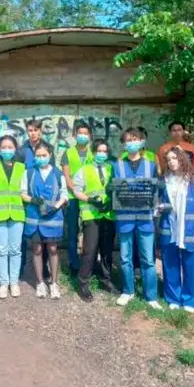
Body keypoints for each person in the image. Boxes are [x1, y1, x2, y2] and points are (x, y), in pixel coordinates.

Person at [112, 128, 160, 309]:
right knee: (125, 257)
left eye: (135, 139)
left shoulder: (151, 166)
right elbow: (115, 189)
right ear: (124, 144)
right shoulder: (116, 166)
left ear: (142, 141)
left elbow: (154, 190)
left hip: (145, 218)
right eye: (128, 140)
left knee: (148, 259)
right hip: (124, 217)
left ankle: (151, 296)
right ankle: (128, 291)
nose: (131, 143)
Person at [73, 139, 118, 301]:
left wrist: (111, 203)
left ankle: (106, 280)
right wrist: (90, 200)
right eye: (99, 151)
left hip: (108, 214)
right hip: (91, 215)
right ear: (93, 152)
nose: (102, 154)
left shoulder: (111, 168)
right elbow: (76, 190)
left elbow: (117, 188)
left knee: (107, 250)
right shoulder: (84, 170)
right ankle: (83, 283)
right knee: (90, 250)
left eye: (105, 151)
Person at [21, 142, 68, 299]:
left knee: (53, 249)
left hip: (53, 217)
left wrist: (56, 207)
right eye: (38, 155)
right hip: (34, 218)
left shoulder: (57, 173)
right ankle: (40, 283)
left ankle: (54, 283)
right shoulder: (29, 173)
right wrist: (32, 199)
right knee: (37, 250)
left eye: (44, 155)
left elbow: (64, 194)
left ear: (50, 155)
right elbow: (22, 192)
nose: (41, 158)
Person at [158, 146, 194, 312]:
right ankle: (173, 298)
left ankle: (190, 300)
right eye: (168, 160)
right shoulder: (164, 181)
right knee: (170, 264)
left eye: (174, 158)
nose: (171, 162)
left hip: (189, 230)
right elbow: (155, 203)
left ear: (182, 159)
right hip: (169, 228)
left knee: (191, 265)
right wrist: (159, 207)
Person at [0, 135, 25, 299]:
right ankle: (3, 283)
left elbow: (24, 191)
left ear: (15, 149)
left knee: (15, 250)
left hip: (17, 213)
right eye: (4, 147)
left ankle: (14, 282)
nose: (7, 150)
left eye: (10, 147)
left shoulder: (21, 167)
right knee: (1, 250)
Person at [15, 119, 55, 280]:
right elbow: (18, 172)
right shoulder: (21, 150)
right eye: (30, 130)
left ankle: (44, 266)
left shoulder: (48, 147)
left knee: (43, 233)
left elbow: (51, 172)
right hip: (26, 196)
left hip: (43, 196)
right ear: (27, 131)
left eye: (36, 130)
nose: (33, 133)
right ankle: (20, 267)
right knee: (24, 234)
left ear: (40, 131)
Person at [61, 120, 94, 277]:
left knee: (90, 232)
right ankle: (73, 263)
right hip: (73, 197)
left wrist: (86, 195)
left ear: (90, 136)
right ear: (74, 135)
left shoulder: (93, 153)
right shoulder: (68, 153)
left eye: (85, 133)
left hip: (89, 198)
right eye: (80, 133)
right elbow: (67, 176)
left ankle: (89, 264)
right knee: (72, 231)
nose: (82, 136)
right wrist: (76, 192)